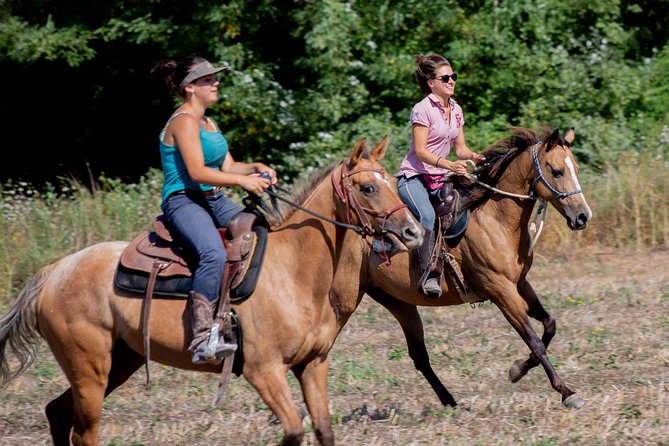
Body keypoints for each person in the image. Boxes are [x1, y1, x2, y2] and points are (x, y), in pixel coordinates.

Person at [151, 56, 276, 364]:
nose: (216, 83)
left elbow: (228, 165)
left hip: (213, 198)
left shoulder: (209, 121)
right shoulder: (183, 121)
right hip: (183, 199)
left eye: (214, 78)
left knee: (262, 230)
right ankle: (203, 337)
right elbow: (196, 172)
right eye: (208, 79)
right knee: (213, 253)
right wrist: (241, 182)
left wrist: (256, 168)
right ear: (190, 88)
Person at [396, 53, 485, 298]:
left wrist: (475, 156)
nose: (451, 81)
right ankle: (429, 275)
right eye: (445, 77)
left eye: (453, 76)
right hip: (414, 178)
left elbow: (461, 148)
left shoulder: (456, 109)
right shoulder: (422, 109)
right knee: (426, 215)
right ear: (430, 82)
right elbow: (421, 151)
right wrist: (449, 164)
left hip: (440, 177)